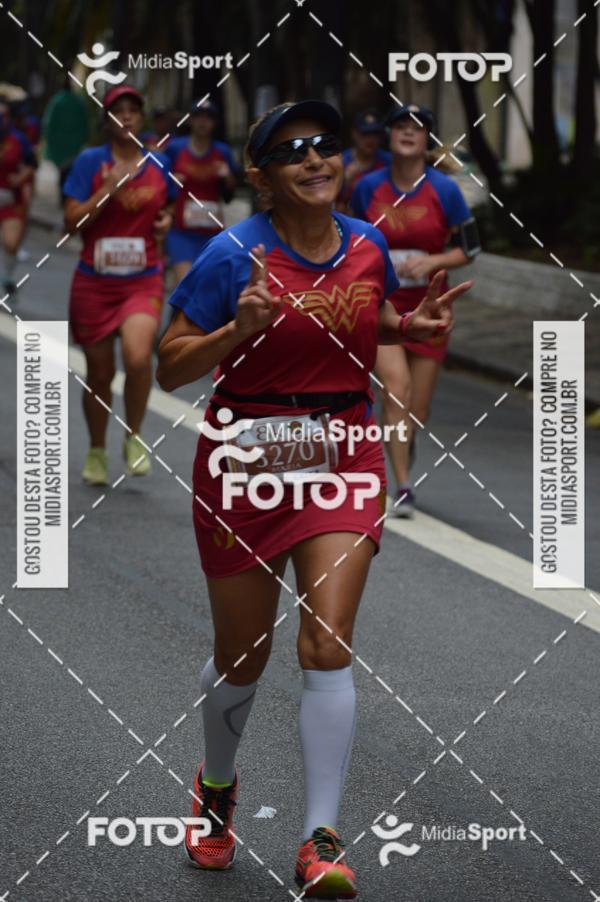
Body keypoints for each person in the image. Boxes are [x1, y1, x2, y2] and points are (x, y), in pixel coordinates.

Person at [157, 100, 472, 897]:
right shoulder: (233, 254)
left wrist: (410, 326)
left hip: (343, 452)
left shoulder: (366, 246)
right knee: (243, 655)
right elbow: (170, 366)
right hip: (244, 460)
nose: (314, 158)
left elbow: (374, 317)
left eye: (325, 144)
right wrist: (237, 331)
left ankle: (320, 837)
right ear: (262, 177)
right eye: (291, 150)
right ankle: (217, 788)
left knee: (327, 644)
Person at [352, 103, 480, 517]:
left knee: (417, 411)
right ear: (389, 136)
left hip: (430, 310)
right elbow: (350, 241)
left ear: (428, 140)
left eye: (418, 127)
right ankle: (403, 486)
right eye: (400, 126)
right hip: (383, 306)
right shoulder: (367, 187)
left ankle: (402, 444)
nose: (408, 132)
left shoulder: (444, 190)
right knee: (396, 390)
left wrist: (432, 262)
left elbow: (470, 248)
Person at [63, 85, 174, 485]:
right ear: (107, 120)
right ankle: (97, 449)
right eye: (118, 110)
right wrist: (108, 187)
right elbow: (71, 223)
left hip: (142, 281)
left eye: (133, 110)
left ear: (141, 119)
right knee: (99, 373)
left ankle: (134, 435)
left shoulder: (159, 163)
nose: (126, 116)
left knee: (139, 357)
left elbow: (169, 206)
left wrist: (166, 221)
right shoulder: (90, 162)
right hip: (94, 283)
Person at [164, 99, 238, 284]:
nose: (203, 122)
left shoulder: (223, 152)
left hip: (212, 232)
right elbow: (159, 183)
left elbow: (230, 194)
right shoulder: (175, 148)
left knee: (210, 286)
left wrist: (228, 177)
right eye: (198, 116)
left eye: (208, 117)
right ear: (190, 120)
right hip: (181, 232)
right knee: (186, 283)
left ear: (215, 122)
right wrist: (171, 180)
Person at [0, 97, 37, 295]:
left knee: (11, 242)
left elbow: (32, 165)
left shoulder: (18, 139)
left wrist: (21, 179)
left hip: (9, 199)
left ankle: (7, 276)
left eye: (4, 116)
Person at [42, 76, 89, 202]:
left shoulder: (56, 101)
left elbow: (48, 123)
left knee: (62, 171)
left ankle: (64, 195)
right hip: (74, 145)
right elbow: (85, 123)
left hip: (58, 144)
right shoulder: (78, 101)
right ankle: (66, 195)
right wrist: (83, 139)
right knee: (69, 170)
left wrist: (47, 137)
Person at [336, 110, 390, 212]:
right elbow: (335, 207)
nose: (371, 139)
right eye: (365, 133)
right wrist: (345, 183)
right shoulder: (341, 162)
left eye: (375, 134)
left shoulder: (389, 162)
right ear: (354, 134)